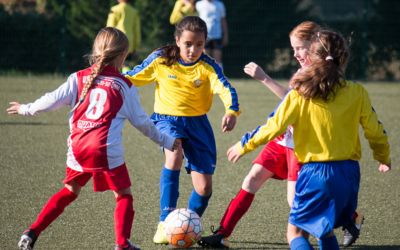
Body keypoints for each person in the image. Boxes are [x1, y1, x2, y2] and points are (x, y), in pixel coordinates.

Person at [8, 27, 179, 250]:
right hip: (105, 149)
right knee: (123, 195)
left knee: (69, 191)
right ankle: (122, 244)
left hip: (77, 148)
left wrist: (25, 108)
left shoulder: (77, 78)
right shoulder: (124, 86)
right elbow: (143, 124)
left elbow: (50, 101)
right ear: (122, 56)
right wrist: (166, 141)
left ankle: (31, 232)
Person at [199, 21, 365, 248]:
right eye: (293, 48)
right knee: (251, 179)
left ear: (315, 44)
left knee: (295, 202)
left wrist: (264, 78)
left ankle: (346, 221)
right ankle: (222, 233)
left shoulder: (322, 73)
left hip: (300, 146)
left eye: (299, 48)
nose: (295, 53)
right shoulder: (302, 71)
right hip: (282, 140)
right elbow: (289, 103)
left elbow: (289, 102)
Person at [225, 30, 391, 250]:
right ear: (344, 59)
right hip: (350, 174)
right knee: (324, 229)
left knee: (295, 233)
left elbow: (273, 127)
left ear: (313, 58)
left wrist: (243, 145)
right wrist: (383, 157)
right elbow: (376, 132)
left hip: (315, 173)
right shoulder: (357, 92)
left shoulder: (300, 94)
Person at [124, 16, 240, 245]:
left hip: (198, 124)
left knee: (205, 188)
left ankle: (184, 227)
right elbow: (133, 76)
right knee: (174, 153)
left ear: (205, 43)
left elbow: (226, 89)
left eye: (199, 44)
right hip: (166, 120)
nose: (193, 49)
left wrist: (231, 112)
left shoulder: (208, 66)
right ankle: (165, 221)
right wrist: (107, 79)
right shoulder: (160, 59)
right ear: (177, 40)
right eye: (188, 43)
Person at [107, 0, 141, 71]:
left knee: (115, 63)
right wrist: (136, 47)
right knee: (125, 63)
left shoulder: (114, 9)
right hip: (130, 42)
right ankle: (126, 77)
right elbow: (136, 31)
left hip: (116, 40)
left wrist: (107, 42)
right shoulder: (134, 12)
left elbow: (110, 27)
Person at [196, 0, 228, 67]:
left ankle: (219, 76)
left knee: (217, 59)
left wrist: (225, 35)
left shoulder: (219, 4)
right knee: (205, 59)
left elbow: (223, 20)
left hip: (217, 35)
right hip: (204, 36)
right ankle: (205, 76)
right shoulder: (198, 4)